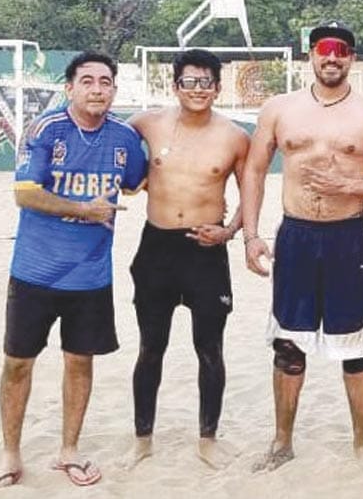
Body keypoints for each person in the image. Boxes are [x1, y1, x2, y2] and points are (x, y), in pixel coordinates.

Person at [241, 21, 363, 474]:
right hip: (295, 235)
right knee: (288, 344)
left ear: (352, 58)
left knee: (358, 348)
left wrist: (348, 185)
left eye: (342, 51)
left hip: (346, 237)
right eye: (324, 49)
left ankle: (362, 446)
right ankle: (282, 442)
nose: (332, 58)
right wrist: (251, 234)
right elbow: (254, 170)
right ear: (310, 54)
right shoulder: (280, 109)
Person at [0, 51, 146, 491]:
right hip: (35, 272)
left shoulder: (123, 137)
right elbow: (24, 193)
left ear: (114, 90)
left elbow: (139, 181)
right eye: (87, 81)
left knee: (79, 361)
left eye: (105, 82)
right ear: (69, 88)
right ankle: (11, 453)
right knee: (18, 363)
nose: (97, 89)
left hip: (91, 276)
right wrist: (83, 209)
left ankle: (69, 450)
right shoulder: (46, 129)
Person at [122, 49, 250, 470]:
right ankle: (142, 439)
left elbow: (251, 194)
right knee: (150, 348)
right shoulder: (148, 123)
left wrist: (230, 231)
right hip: (157, 248)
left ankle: (207, 439)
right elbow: (108, 141)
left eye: (206, 82)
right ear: (175, 86)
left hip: (205, 251)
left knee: (209, 349)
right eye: (189, 82)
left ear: (217, 87)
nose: (198, 89)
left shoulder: (234, 137)